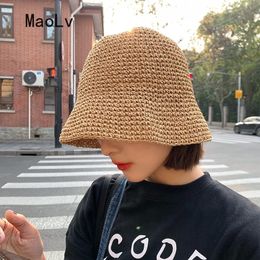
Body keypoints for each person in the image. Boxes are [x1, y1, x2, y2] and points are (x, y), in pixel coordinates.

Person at [0, 27, 260, 260]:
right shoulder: (102, 199)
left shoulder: (244, 233)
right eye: (100, 126)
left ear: (170, 115)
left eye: (122, 124)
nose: (105, 147)